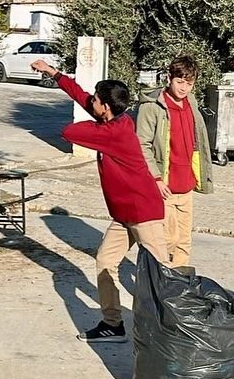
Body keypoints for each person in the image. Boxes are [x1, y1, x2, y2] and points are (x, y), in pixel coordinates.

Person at [31, 58, 173, 344]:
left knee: (162, 272)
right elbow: (82, 96)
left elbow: (69, 132)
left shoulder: (113, 133)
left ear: (105, 108)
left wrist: (90, 120)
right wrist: (54, 74)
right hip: (123, 214)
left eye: (96, 101)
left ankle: (172, 326)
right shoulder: (115, 120)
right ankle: (113, 323)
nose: (90, 102)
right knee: (105, 261)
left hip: (143, 212)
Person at [135, 55, 213, 270]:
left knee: (184, 243)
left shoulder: (191, 103)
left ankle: (179, 289)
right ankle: (157, 284)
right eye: (180, 82)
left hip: (186, 186)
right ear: (169, 78)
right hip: (163, 187)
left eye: (189, 83)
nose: (184, 88)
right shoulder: (152, 107)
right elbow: (141, 145)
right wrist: (156, 179)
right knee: (167, 241)